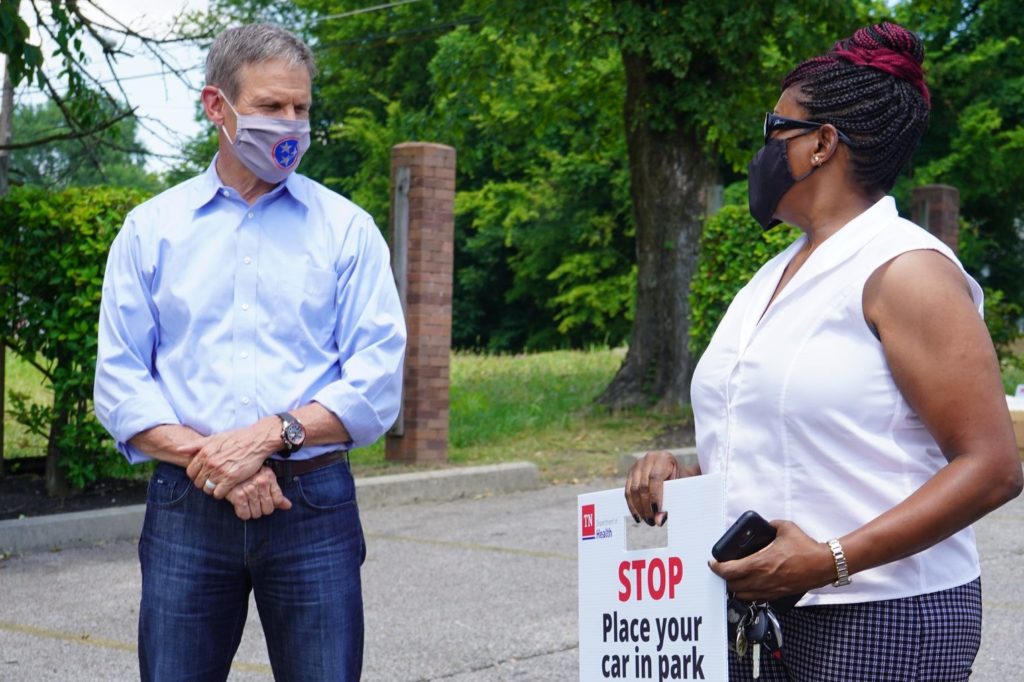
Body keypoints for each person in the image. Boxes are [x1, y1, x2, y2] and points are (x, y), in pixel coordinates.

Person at [624, 21, 1022, 681]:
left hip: (884, 618)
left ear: (820, 145)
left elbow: (992, 466)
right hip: (759, 612)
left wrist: (830, 559)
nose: (759, 153)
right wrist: (684, 475)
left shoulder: (907, 272)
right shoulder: (776, 275)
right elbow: (790, 440)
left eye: (772, 131)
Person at [93, 23, 406, 681]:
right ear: (217, 106)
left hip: (311, 505)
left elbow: (376, 380)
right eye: (270, 107)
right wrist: (217, 463)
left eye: (301, 108)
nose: (290, 123)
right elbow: (122, 381)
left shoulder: (348, 231)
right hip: (188, 507)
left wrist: (269, 437)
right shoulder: (153, 232)